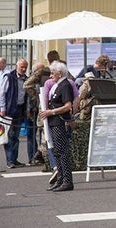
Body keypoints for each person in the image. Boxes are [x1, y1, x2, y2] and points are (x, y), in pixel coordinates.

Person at [41, 61, 74, 191]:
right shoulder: (57, 85)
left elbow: (68, 106)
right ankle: (60, 179)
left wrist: (51, 111)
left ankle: (67, 181)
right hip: (53, 122)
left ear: (59, 73)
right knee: (57, 151)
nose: (50, 76)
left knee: (62, 152)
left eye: (52, 73)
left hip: (60, 121)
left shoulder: (65, 85)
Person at [0, 58, 32, 168]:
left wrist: (27, 110)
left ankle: (14, 159)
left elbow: (27, 97)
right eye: (22, 67)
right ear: (17, 66)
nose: (23, 69)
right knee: (9, 135)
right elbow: (2, 93)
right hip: (9, 110)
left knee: (16, 135)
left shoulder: (26, 79)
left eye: (25, 67)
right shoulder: (9, 77)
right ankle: (10, 160)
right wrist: (2, 108)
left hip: (20, 109)